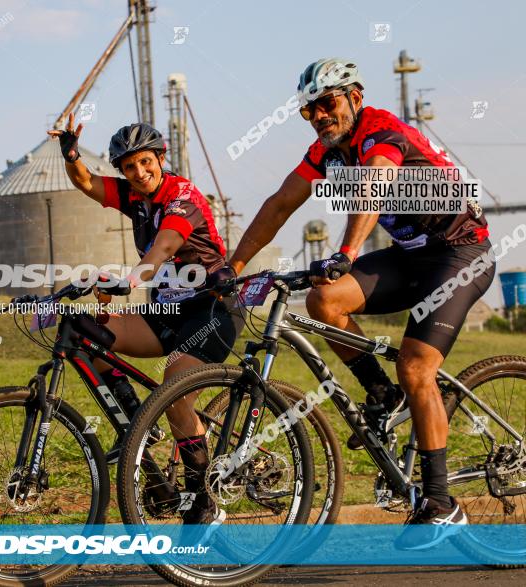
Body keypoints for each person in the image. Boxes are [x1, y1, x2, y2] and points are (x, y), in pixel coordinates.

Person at [228, 58, 492, 549]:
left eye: (327, 104)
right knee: (324, 301)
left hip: (460, 252)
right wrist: (233, 267)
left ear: (354, 96)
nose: (320, 116)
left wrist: (348, 251)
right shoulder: (326, 153)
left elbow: (374, 185)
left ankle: (440, 503)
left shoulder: (381, 132)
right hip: (412, 257)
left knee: (416, 366)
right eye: (309, 111)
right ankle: (382, 394)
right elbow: (279, 204)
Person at [48, 113, 244, 525]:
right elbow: (85, 182)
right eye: (129, 167)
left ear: (160, 157)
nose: (139, 172)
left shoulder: (181, 197)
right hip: (166, 311)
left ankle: (200, 498)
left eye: (145, 162)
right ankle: (141, 427)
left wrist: (130, 280)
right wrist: (70, 154)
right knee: (88, 335)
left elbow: (163, 247)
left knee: (174, 390)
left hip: (211, 311)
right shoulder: (134, 196)